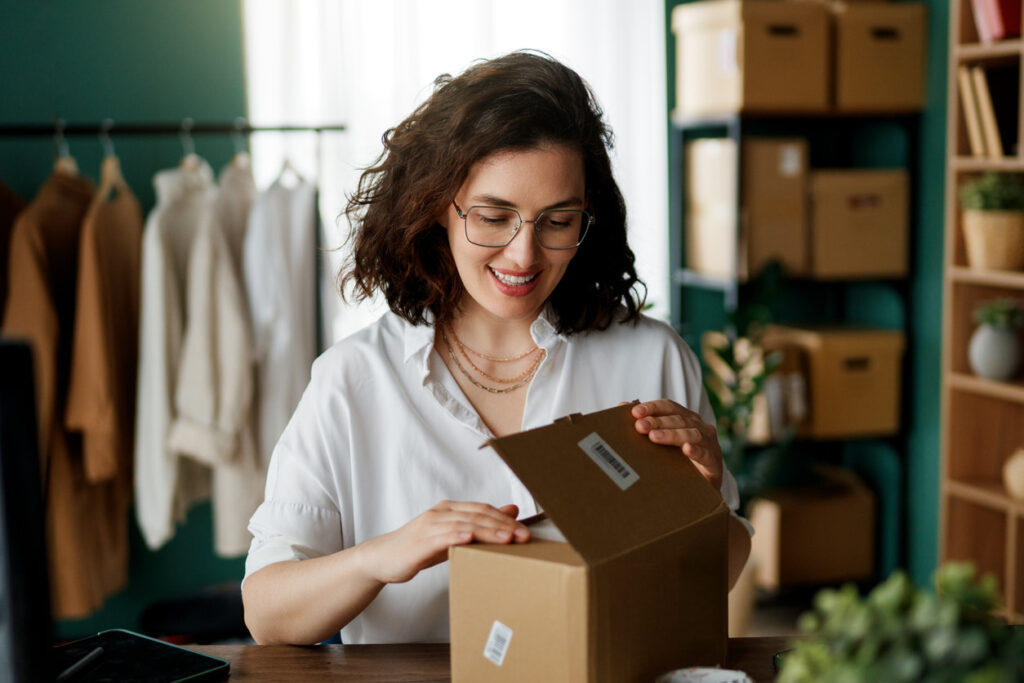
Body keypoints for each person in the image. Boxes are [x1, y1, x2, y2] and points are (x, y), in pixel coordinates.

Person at [241, 51, 752, 646]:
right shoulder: (353, 380)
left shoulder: (652, 357)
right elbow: (266, 614)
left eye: (557, 222)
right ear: (438, 205)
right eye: (492, 217)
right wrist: (382, 556)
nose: (523, 254)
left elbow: (712, 581)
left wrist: (701, 499)